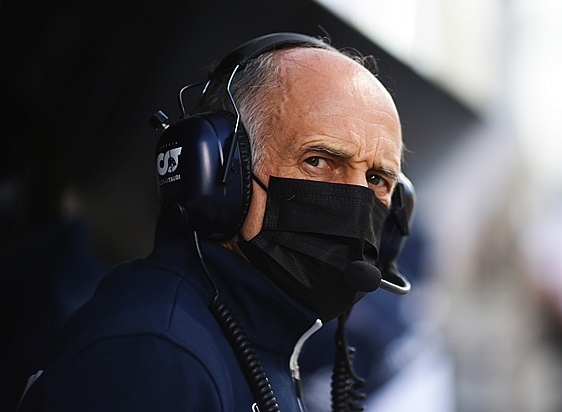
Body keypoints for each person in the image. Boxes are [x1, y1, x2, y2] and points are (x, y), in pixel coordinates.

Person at [17, 32, 410, 412]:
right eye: (318, 161)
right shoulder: (158, 354)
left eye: (377, 179)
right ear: (220, 172)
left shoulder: (257, 344)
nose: (357, 206)